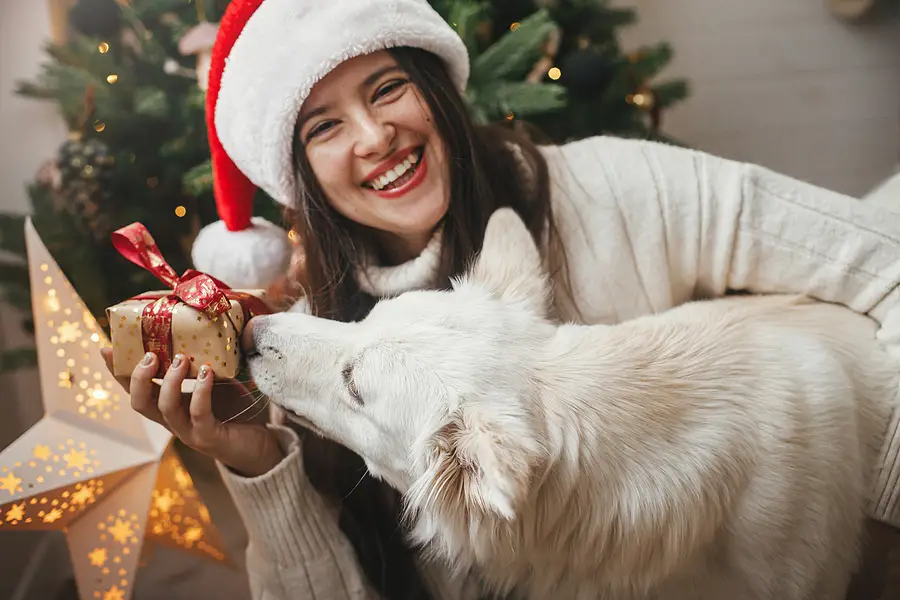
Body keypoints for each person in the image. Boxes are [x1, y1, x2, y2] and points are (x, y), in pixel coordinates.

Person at [101, 0, 900, 598]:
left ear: (436, 92)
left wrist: (865, 485)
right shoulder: (313, 333)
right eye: (324, 128)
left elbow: (884, 260)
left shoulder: (624, 189)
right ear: (301, 177)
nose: (375, 137)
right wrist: (257, 460)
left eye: (386, 89)